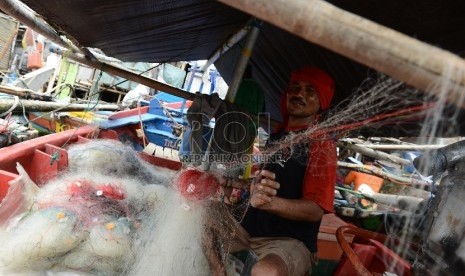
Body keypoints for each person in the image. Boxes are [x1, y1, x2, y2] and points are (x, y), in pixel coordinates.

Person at [229, 66, 338, 276]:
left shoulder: (321, 144)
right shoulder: (277, 137)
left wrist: (271, 203)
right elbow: (263, 185)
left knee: (267, 271)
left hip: (289, 240)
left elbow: (316, 210)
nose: (299, 94)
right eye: (295, 88)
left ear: (321, 102)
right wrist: (238, 185)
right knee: (201, 223)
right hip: (251, 229)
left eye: (310, 91)